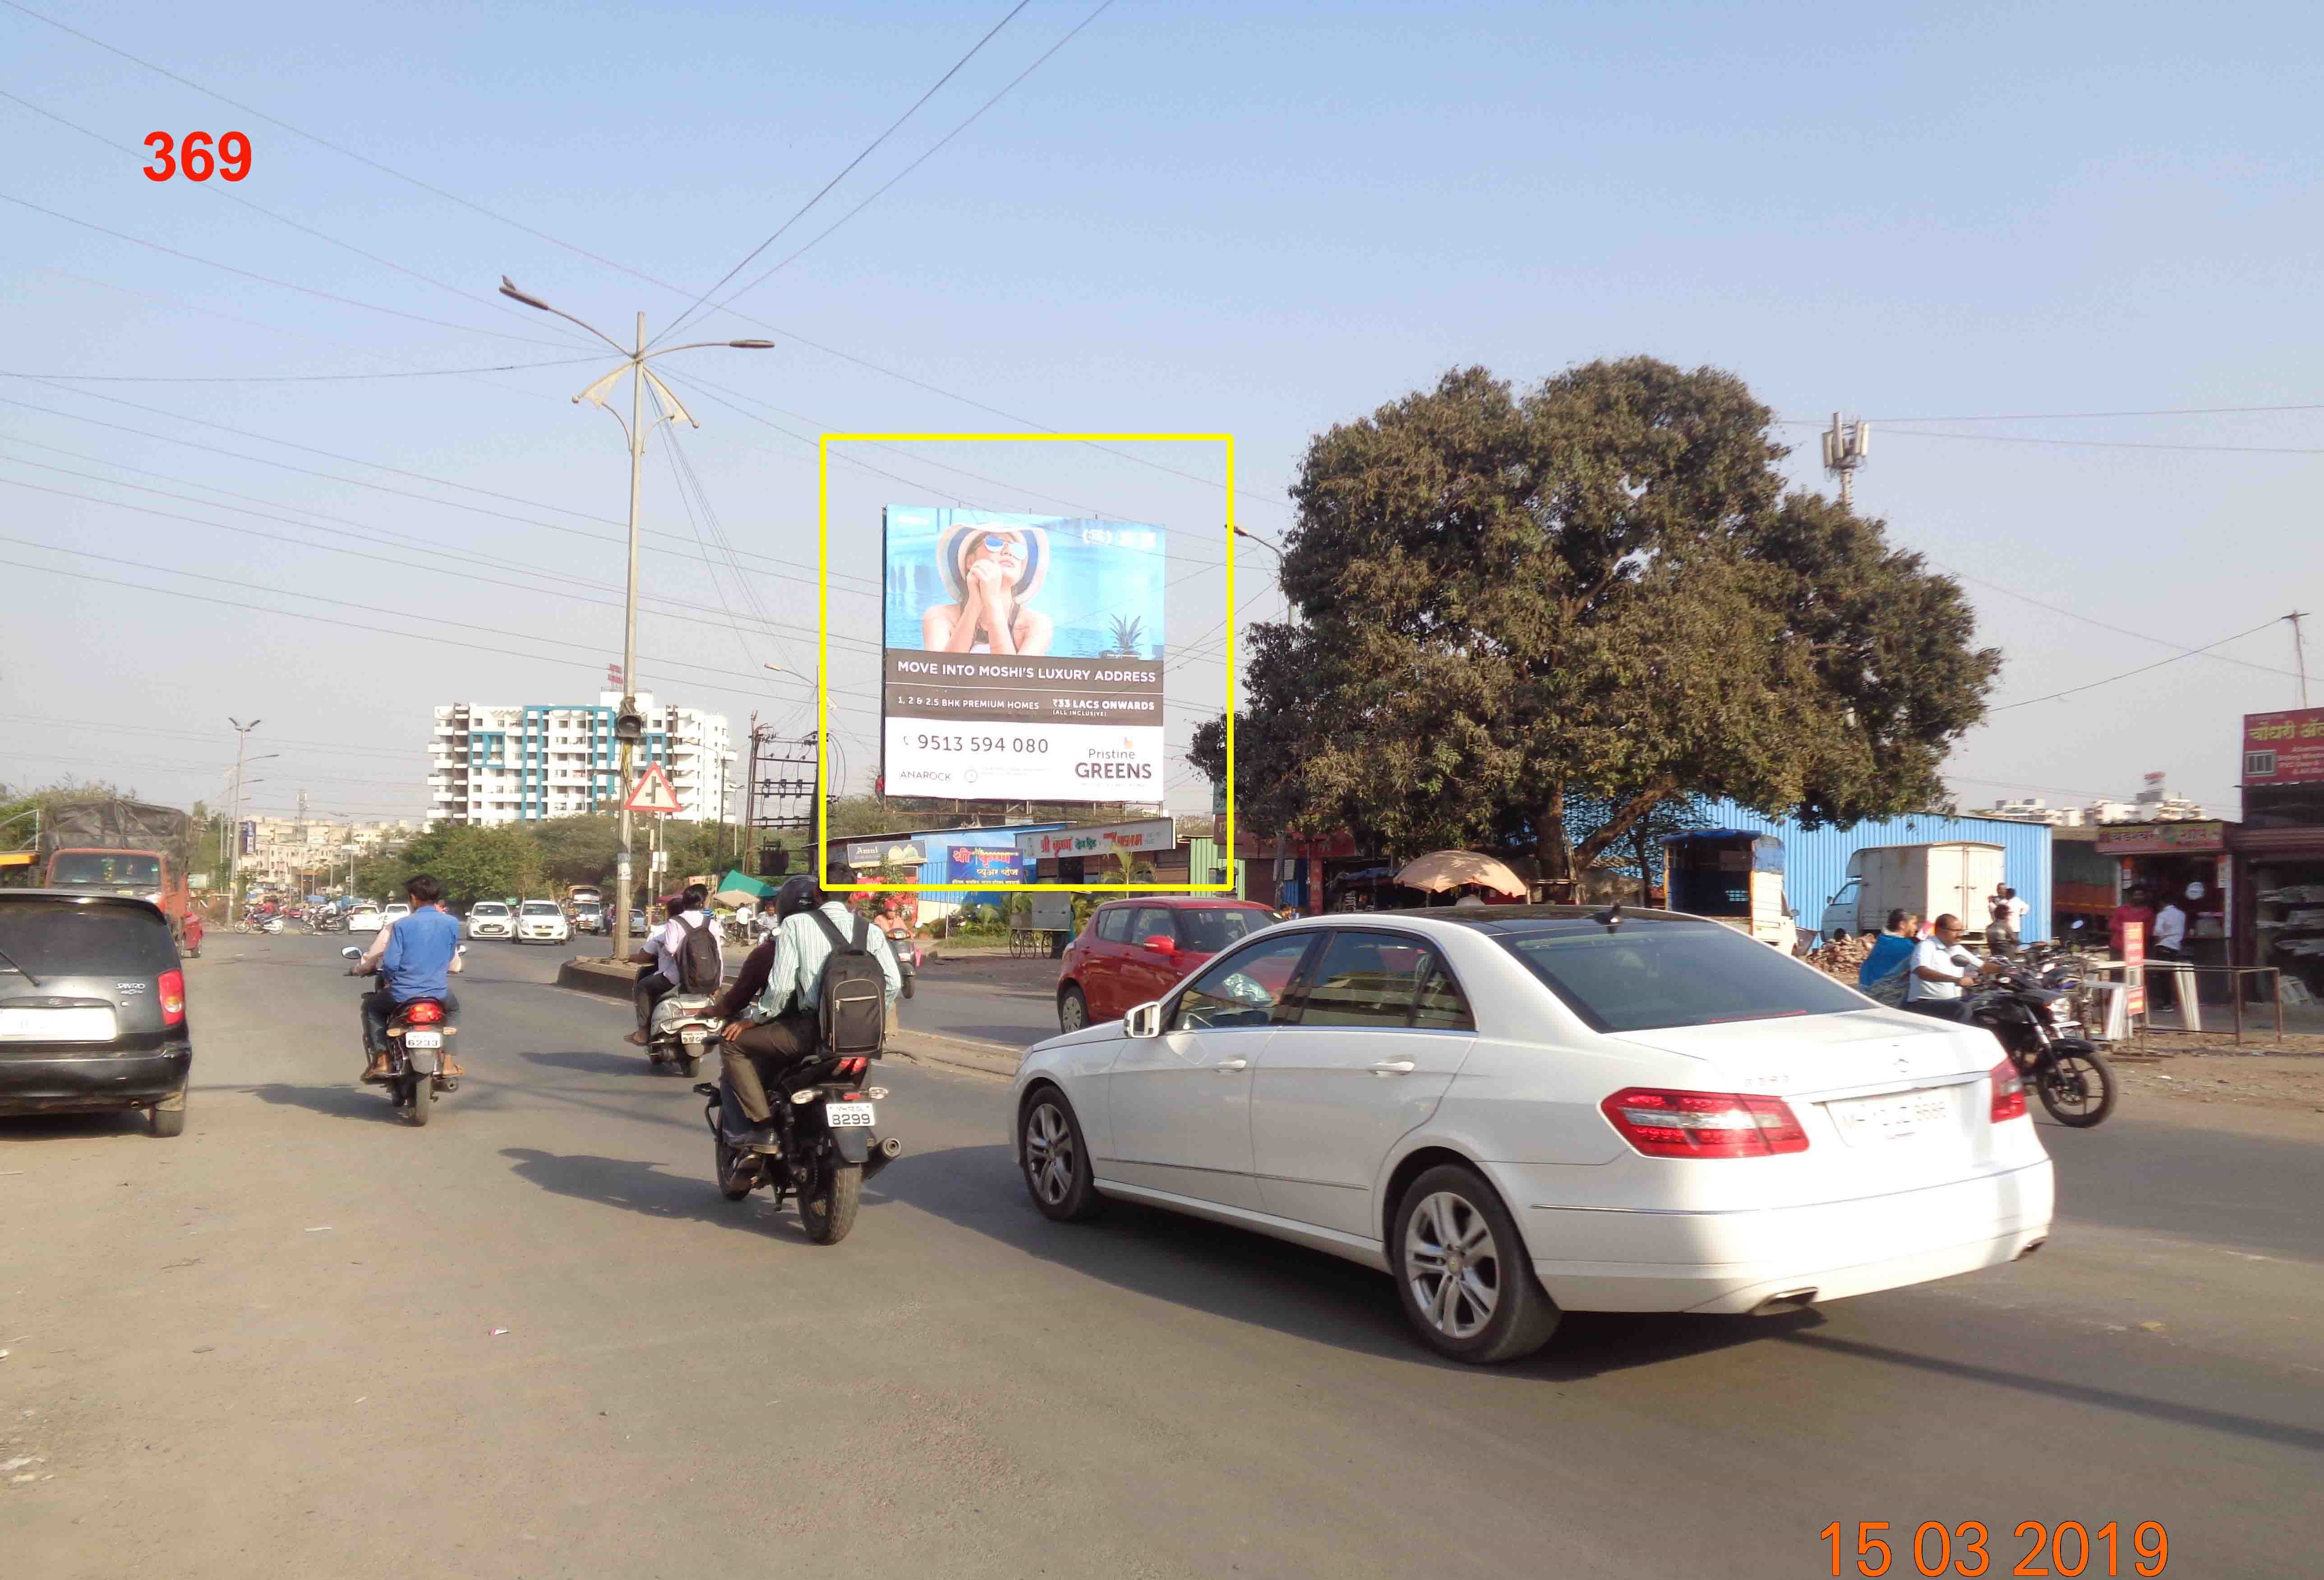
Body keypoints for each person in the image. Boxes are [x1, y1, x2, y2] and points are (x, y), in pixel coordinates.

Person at [713, 874, 901, 1160]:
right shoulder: (870, 930)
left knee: (732, 1044)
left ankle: (763, 1130)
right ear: (853, 895)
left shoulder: (793, 928)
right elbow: (894, 983)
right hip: (857, 1038)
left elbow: (781, 987)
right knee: (857, 1055)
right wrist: (869, 1020)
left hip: (807, 1032)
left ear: (817, 893)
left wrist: (757, 1019)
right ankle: (864, 1130)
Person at [348, 873, 463, 1081]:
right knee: (453, 1012)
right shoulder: (452, 924)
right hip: (438, 992)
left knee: (372, 1009)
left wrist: (392, 979)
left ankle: (382, 1060)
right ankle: (448, 1064)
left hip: (403, 993)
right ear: (437, 897)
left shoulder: (403, 925)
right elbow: (449, 956)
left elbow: (391, 963)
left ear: (413, 898)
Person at [919, 525, 1054, 656]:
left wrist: (992, 600)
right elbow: (941, 674)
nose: (1008, 552)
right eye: (994, 543)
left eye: (1017, 549)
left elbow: (1011, 677)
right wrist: (975, 605)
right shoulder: (940, 617)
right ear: (970, 561)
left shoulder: (1037, 625)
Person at [625, 883, 722, 1046]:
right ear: (703, 903)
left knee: (643, 986)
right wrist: (717, 983)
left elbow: (670, 948)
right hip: (707, 978)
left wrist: (679, 951)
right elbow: (718, 955)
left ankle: (643, 1032)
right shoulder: (711, 924)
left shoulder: (675, 922)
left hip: (676, 978)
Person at [1902, 913, 2001, 1022]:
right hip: (1924, 1003)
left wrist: (2007, 970)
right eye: (1955, 931)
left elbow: (1982, 966)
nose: (1960, 935)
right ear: (1940, 930)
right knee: (1962, 1009)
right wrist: (1956, 980)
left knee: (1989, 1001)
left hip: (1953, 1000)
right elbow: (1922, 972)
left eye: (1961, 931)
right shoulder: (1927, 946)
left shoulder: (1957, 948)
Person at [1856, 909, 1921, 1003]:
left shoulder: (1883, 940)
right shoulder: (1905, 946)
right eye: (1914, 924)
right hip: (1886, 996)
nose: (1916, 928)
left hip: (1866, 990)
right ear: (1903, 925)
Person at [2108, 885, 2154, 958]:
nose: (2139, 897)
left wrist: (2136, 931)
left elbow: (2148, 931)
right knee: (2117, 969)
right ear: (2131, 897)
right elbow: (2112, 925)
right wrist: (2128, 929)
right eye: (2136, 895)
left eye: (2141, 895)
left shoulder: (2149, 912)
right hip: (2118, 947)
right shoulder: (2121, 910)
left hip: (2136, 948)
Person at [2150, 890, 2190, 963]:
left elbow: (2158, 931)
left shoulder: (2162, 915)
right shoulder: (2182, 914)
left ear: (2162, 902)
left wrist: (2156, 942)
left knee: (2162, 972)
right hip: (2176, 948)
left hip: (2164, 946)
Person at [1987, 886, 2024, 954]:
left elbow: (1994, 909)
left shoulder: (1989, 928)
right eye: (2001, 889)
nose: (2003, 891)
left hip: (1996, 953)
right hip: (2006, 953)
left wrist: (1991, 903)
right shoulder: (2007, 903)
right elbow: (2016, 941)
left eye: (2004, 890)